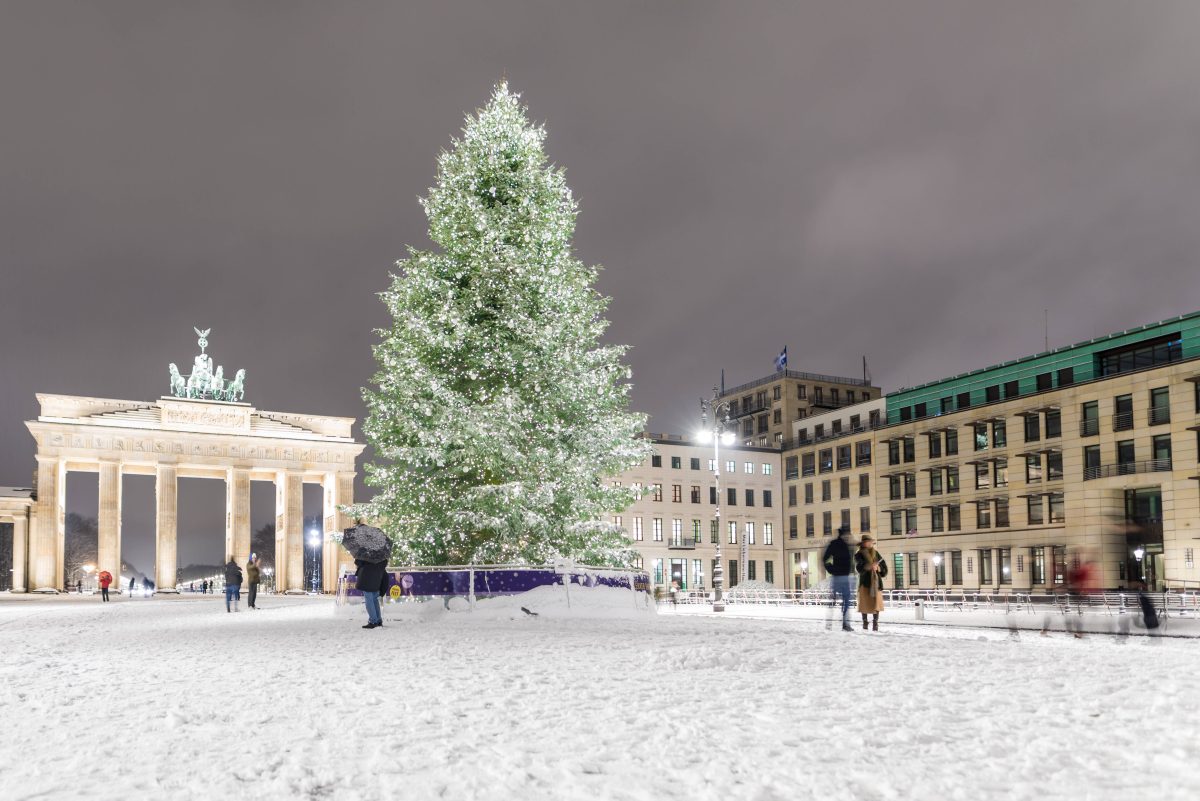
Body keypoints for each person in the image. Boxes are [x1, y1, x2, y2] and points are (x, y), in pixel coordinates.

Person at [823, 526, 855, 631]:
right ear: (842, 535)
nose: (848, 536)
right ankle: (830, 623)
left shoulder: (847, 545)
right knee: (834, 601)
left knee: (846, 601)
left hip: (845, 577)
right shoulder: (835, 544)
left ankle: (845, 624)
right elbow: (825, 559)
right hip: (837, 577)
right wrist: (832, 569)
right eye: (847, 534)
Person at [855, 534, 888, 631]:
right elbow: (859, 568)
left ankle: (875, 623)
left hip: (876, 582)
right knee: (864, 603)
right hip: (865, 582)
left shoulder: (876, 553)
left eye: (871, 541)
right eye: (868, 541)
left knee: (876, 604)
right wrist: (869, 566)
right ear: (864, 543)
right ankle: (865, 622)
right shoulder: (859, 554)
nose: (870, 543)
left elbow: (884, 569)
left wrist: (878, 568)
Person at [355, 557, 387, 629]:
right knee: (375, 600)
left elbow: (358, 562)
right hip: (376, 580)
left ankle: (373, 621)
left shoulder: (365, 553)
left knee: (369, 600)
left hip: (367, 579)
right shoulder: (381, 555)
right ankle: (378, 620)